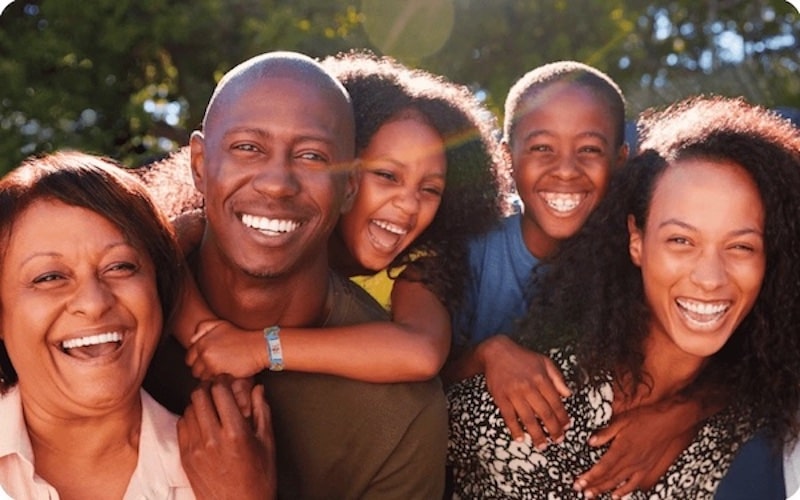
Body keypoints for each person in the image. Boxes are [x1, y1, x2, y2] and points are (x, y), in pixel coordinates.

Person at [447, 96, 800, 499]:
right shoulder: (525, 399)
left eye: (741, 247)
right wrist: (484, 355)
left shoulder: (755, 411)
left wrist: (688, 409)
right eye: (681, 241)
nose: (709, 278)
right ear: (637, 241)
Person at [143, 51, 448, 499]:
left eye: (311, 156)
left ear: (348, 187)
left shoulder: (402, 414)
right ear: (198, 166)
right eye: (248, 148)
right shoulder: (118, 316)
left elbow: (421, 350)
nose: (277, 183)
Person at [167, 50, 506, 384]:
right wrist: (205, 333)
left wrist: (260, 349)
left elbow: (421, 351)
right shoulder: (231, 227)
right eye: (387, 176)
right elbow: (161, 257)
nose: (408, 204)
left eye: (430, 190)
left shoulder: (413, 270)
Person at [0, 152, 273, 499]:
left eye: (120, 267)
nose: (95, 303)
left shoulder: (224, 475)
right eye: (49, 277)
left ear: (158, 290)